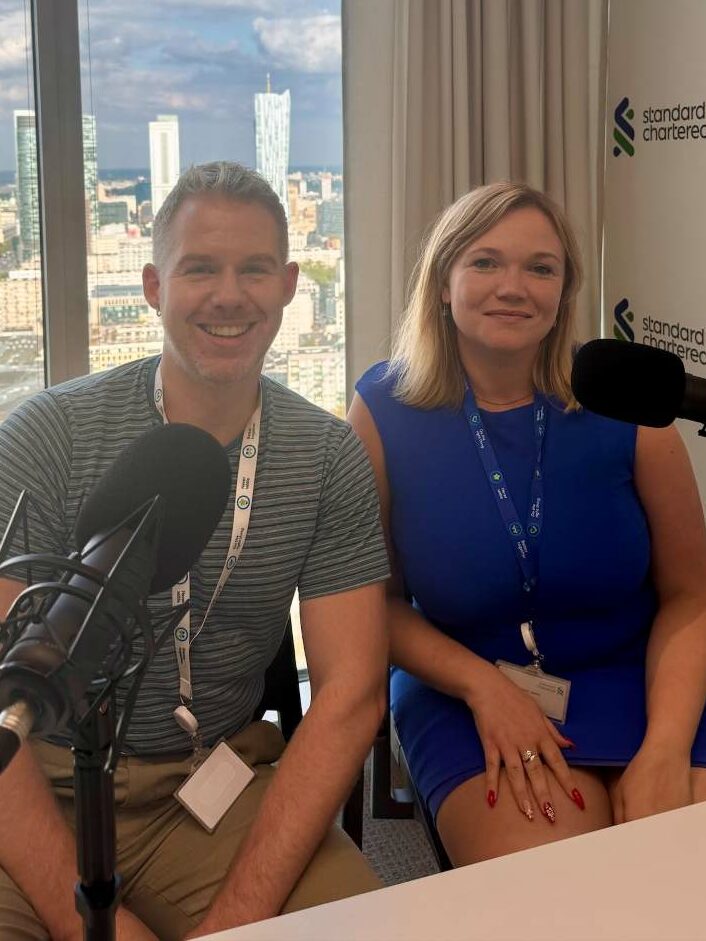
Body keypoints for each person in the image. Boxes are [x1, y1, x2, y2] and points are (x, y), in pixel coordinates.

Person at [0, 161, 389, 940]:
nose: (228, 295)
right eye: (200, 268)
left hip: (211, 780)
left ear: (288, 284)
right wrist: (87, 923)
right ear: (152, 285)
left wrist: (237, 918)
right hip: (40, 785)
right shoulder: (46, 435)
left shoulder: (326, 456)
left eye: (253, 270)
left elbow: (348, 695)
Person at [349, 181, 706, 867]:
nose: (513, 285)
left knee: (677, 875)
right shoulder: (382, 409)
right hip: (465, 685)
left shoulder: (623, 405)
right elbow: (377, 608)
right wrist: (486, 687)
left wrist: (665, 745)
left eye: (540, 267)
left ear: (564, 293)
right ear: (443, 282)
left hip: (647, 678)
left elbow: (691, 593)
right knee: (562, 893)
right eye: (486, 261)